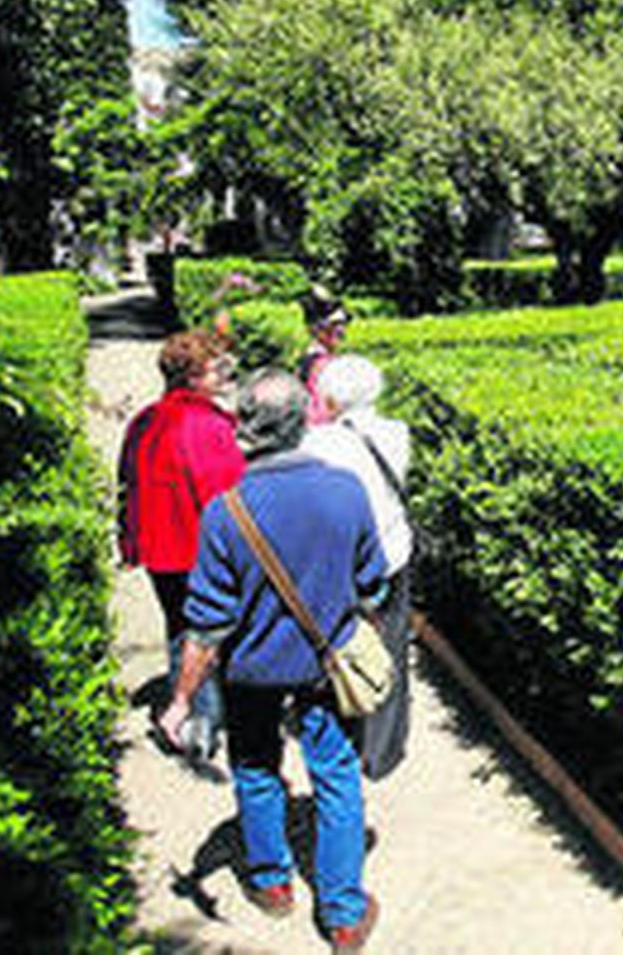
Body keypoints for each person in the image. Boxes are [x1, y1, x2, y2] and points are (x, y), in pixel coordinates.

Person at [158, 369, 387, 951]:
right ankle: (341, 914)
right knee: (336, 776)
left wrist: (182, 700)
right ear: (301, 423)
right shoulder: (346, 490)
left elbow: (206, 626)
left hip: (252, 673)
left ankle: (271, 883)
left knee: (257, 767)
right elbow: (373, 585)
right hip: (324, 666)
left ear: (245, 430)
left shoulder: (225, 511)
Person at [119, 329, 245, 759]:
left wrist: (130, 541)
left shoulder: (144, 420)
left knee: (179, 628)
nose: (224, 375)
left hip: (158, 549)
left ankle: (190, 719)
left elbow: (127, 484)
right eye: (215, 369)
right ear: (192, 377)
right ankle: (203, 721)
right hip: (199, 549)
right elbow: (226, 497)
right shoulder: (208, 426)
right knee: (209, 633)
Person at [302, 355, 414, 780]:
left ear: (328, 397)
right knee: (391, 644)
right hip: (392, 553)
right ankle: (383, 749)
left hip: (340, 562)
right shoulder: (396, 434)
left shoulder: (317, 443)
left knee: (341, 645)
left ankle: (346, 729)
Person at [298, 285, 351, 426]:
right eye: (333, 326)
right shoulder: (322, 364)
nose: (340, 331)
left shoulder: (311, 357)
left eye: (343, 325)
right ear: (317, 329)